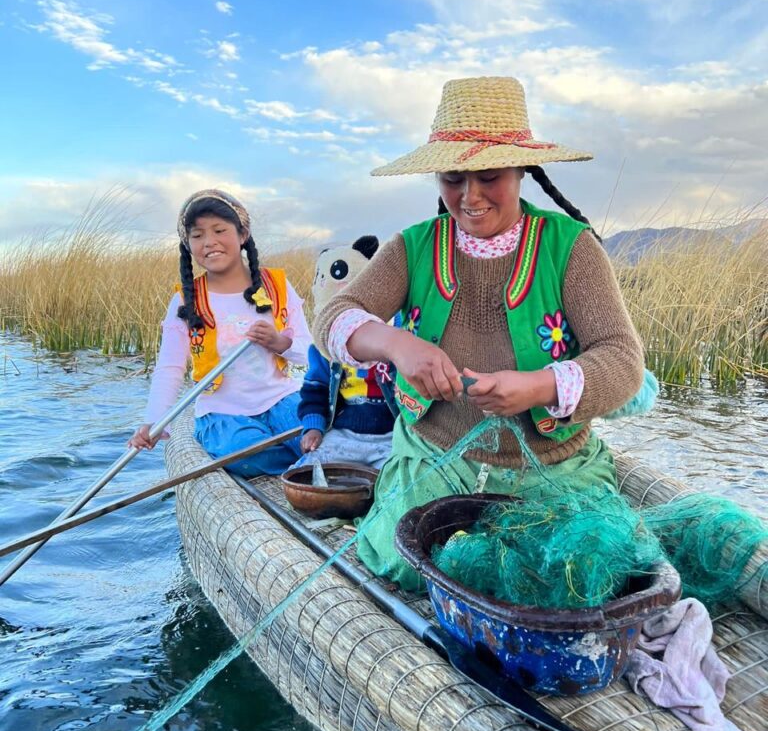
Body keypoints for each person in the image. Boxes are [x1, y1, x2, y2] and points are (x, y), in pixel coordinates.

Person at [313, 76, 646, 590]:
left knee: (569, 574)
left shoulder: (569, 247)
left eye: (488, 175)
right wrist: (398, 344)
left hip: (555, 470)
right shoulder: (414, 247)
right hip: (437, 460)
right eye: (452, 178)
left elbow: (624, 360)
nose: (469, 197)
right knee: (408, 561)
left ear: (520, 171)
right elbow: (333, 318)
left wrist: (539, 387)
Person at [129, 188, 310, 476]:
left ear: (242, 234)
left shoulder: (276, 286)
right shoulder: (187, 301)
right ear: (188, 245)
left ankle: (308, 460)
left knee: (318, 433)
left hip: (281, 399)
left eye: (219, 230)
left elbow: (308, 351)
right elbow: (170, 366)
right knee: (244, 451)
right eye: (198, 235)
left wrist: (279, 342)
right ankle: (302, 467)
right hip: (225, 413)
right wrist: (154, 421)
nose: (209, 242)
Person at [295, 235, 398, 471]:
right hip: (343, 435)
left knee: (397, 484)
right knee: (306, 472)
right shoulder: (324, 347)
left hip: (391, 438)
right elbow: (315, 390)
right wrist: (314, 427)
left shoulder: (398, 336)